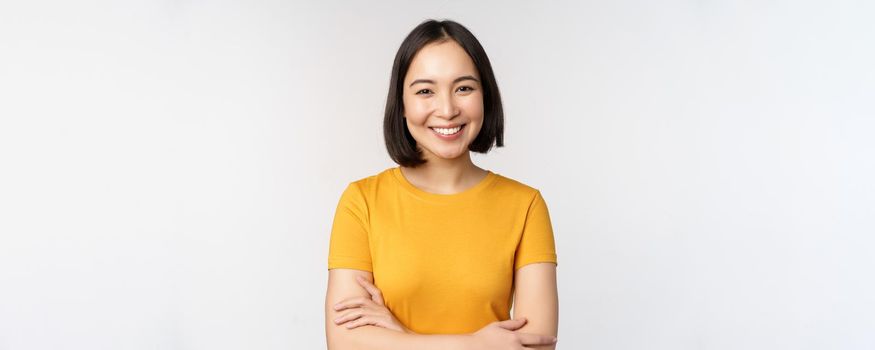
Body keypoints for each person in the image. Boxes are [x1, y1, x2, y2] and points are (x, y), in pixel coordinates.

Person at [324, 19, 559, 350]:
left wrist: (400, 337)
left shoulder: (526, 205)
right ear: (402, 104)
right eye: (425, 91)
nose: (447, 110)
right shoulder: (361, 201)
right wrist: (478, 345)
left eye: (464, 88)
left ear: (485, 96)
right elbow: (344, 342)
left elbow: (537, 346)